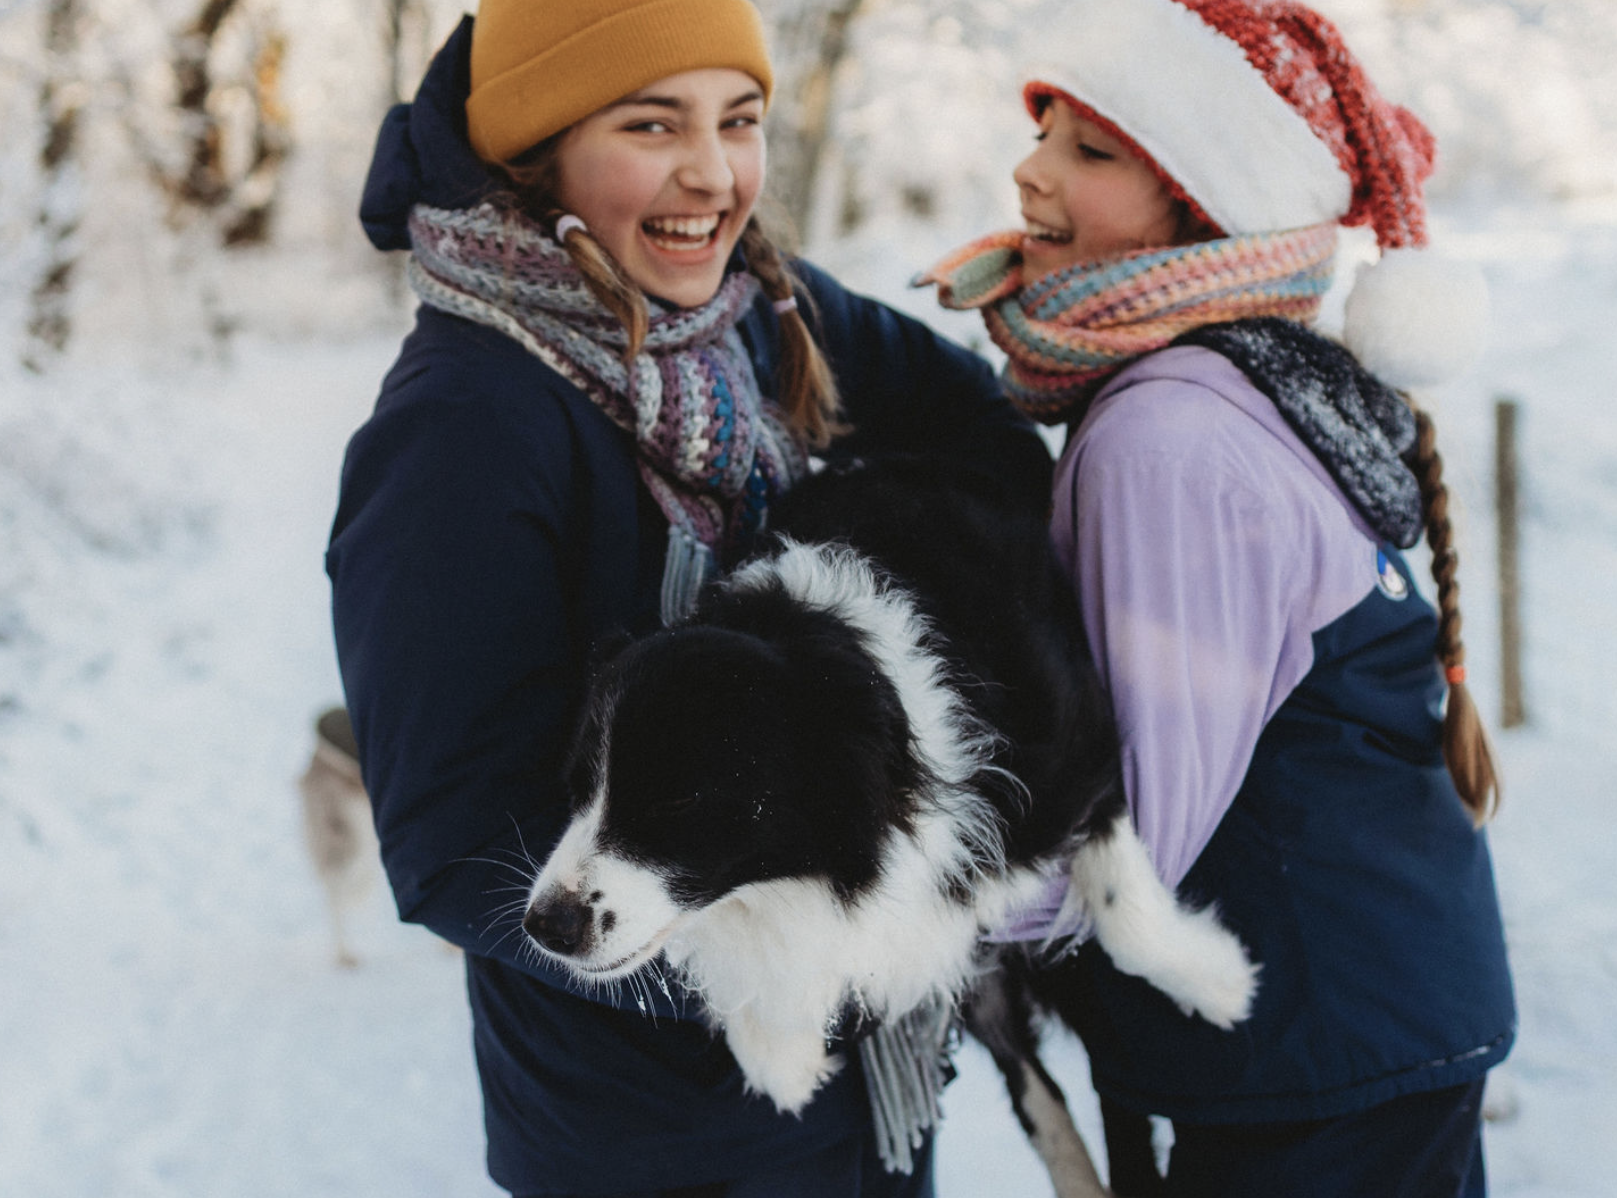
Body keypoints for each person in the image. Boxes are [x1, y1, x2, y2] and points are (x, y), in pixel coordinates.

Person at [327, 2, 1052, 1194]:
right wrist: (801, 955)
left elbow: (981, 443)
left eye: (739, 119)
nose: (712, 174)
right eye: (652, 125)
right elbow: (452, 841)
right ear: (539, 150)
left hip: (859, 1106)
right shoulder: (463, 429)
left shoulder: (756, 310)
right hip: (652, 1142)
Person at [920, 1, 1516, 1194]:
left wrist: (900, 916)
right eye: (1042, 132)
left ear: (1202, 208)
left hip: (1311, 1063)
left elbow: (1139, 830)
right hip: (1363, 1030)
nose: (1029, 171)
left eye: (1092, 150)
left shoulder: (1166, 435)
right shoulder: (1250, 371)